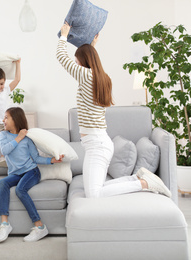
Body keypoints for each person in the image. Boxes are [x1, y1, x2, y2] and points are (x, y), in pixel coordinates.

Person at [56, 22, 171, 198]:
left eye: (78, 59)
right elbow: (90, 62)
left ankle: (143, 184)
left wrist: (64, 35)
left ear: (83, 61)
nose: (76, 62)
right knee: (96, 188)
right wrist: (92, 47)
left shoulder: (86, 75)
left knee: (94, 194)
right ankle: (139, 178)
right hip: (98, 144)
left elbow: (61, 56)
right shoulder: (102, 77)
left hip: (97, 145)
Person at [0, 107, 64, 243]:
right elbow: (5, 150)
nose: (3, 120)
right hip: (15, 174)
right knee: (2, 183)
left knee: (20, 190)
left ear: (15, 119)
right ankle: (4, 224)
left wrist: (51, 160)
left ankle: (40, 226)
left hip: (31, 172)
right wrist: (19, 137)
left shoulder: (28, 139)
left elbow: (36, 158)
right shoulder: (3, 135)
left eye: (6, 117)